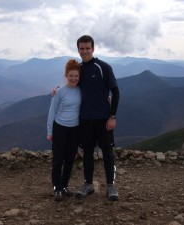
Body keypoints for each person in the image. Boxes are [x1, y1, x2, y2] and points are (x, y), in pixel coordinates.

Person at [74, 35, 120, 201]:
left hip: (103, 118)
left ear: (93, 49)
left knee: (107, 152)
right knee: (87, 152)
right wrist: (56, 93)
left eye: (87, 48)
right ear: (78, 50)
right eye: (82, 48)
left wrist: (112, 116)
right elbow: (71, 88)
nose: (84, 51)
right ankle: (88, 184)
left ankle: (110, 185)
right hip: (85, 119)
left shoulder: (103, 67)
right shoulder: (78, 69)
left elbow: (115, 91)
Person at [46, 59, 81, 202]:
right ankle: (57, 188)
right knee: (58, 159)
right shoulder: (59, 92)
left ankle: (65, 185)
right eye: (71, 76)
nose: (73, 79)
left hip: (75, 129)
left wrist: (107, 100)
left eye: (76, 76)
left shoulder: (81, 90)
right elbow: (52, 111)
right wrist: (49, 131)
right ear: (66, 75)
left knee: (70, 159)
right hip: (60, 127)